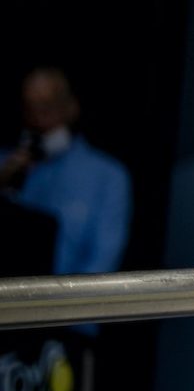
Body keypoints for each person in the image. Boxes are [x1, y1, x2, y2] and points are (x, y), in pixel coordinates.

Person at [1, 68, 131, 282]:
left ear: (71, 107)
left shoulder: (107, 176)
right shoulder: (7, 165)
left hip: (62, 306)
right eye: (30, 108)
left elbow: (101, 267)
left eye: (47, 107)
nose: (38, 119)